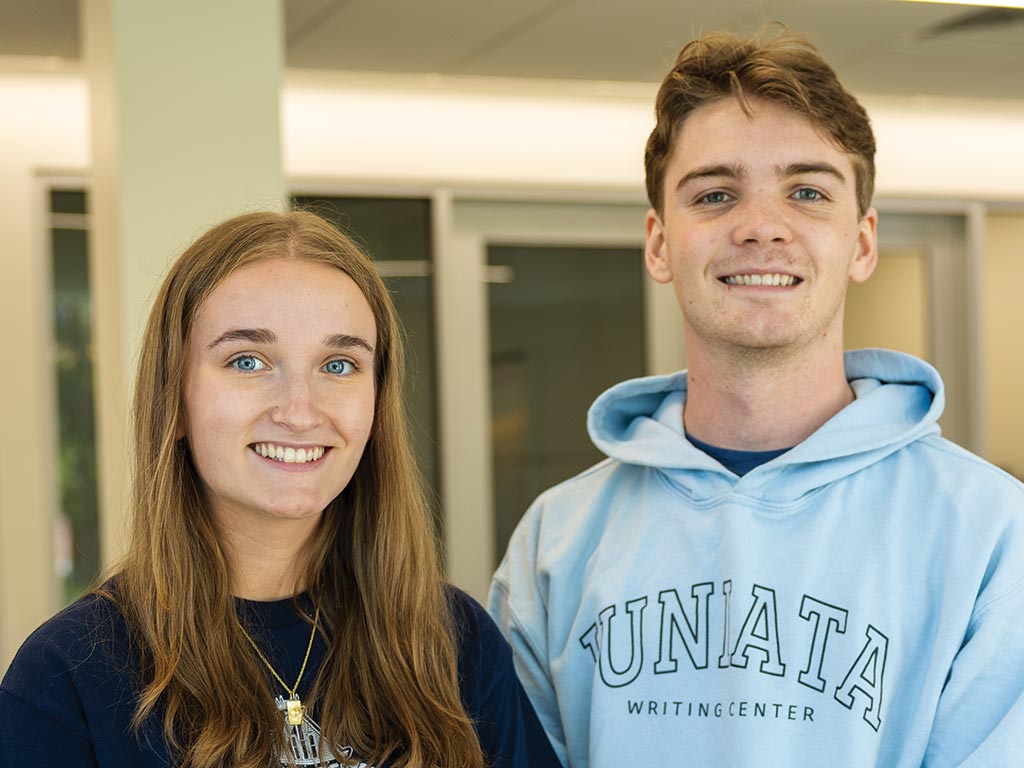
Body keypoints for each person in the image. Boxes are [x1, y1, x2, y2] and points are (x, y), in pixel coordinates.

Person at [488, 27, 1024, 768]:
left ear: (862, 243)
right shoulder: (556, 541)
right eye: (715, 194)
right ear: (658, 243)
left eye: (807, 192)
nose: (761, 227)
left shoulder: (993, 535)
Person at [0, 211, 559, 768]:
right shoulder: (68, 674)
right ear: (175, 400)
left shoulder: (457, 644)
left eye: (338, 365)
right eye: (249, 360)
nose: (299, 412)